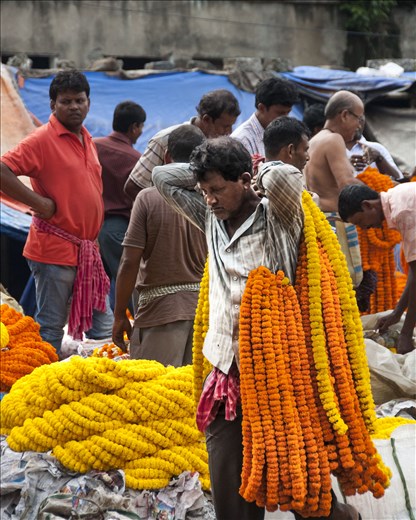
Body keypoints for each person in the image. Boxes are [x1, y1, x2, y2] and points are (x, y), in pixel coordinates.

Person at [152, 137, 360, 520]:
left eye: (217, 190)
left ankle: (338, 517)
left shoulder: (278, 217)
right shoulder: (209, 218)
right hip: (226, 367)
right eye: (204, 191)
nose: (210, 199)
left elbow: (285, 179)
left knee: (298, 476)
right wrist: (205, 169)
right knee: (229, 476)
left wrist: (258, 168)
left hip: (280, 370)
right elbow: (163, 176)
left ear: (246, 180)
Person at [0, 70, 113, 354]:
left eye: (79, 100)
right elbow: (2, 170)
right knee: (50, 328)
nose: (74, 106)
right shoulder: (41, 140)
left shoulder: (87, 137)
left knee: (104, 329)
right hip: (54, 250)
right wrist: (38, 204)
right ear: (53, 105)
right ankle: (42, 391)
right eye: (66, 101)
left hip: (88, 253)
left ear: (89, 102)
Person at [112, 124, 208, 366]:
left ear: (166, 157)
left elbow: (129, 261)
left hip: (159, 314)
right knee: (194, 397)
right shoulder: (213, 198)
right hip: (205, 314)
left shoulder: (148, 198)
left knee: (155, 394)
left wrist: (119, 314)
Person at [339, 183, 416, 355]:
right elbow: (414, 270)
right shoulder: (396, 200)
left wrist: (406, 333)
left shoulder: (402, 212)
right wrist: (397, 313)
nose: (364, 229)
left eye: (360, 222)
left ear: (368, 205)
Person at [124, 89, 241, 199]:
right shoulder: (165, 139)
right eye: (225, 126)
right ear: (206, 119)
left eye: (231, 126)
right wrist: (165, 208)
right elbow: (133, 187)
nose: (229, 132)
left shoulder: (222, 146)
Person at [304, 90, 366, 288]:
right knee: (346, 285)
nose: (359, 125)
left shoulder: (313, 141)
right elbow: (346, 184)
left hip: (318, 221)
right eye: (358, 118)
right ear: (345, 115)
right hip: (335, 223)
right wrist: (382, 194)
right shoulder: (334, 140)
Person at [94, 101, 146, 312]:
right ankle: (140, 328)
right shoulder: (135, 159)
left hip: (91, 228)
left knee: (98, 284)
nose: (140, 132)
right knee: (130, 282)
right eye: (141, 127)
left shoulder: (92, 146)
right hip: (116, 229)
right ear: (134, 127)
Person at [231, 76, 300, 156]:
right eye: (280, 113)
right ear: (262, 108)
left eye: (288, 113)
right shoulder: (242, 141)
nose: (285, 118)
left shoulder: (285, 135)